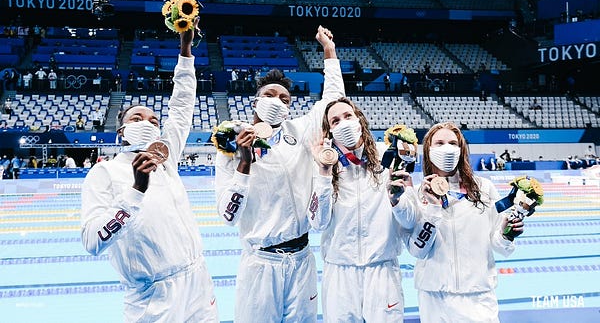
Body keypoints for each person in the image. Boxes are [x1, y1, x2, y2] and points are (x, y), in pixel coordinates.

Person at [80, 17, 219, 322]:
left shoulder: (165, 157)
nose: (147, 123)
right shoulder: (104, 174)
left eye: (154, 121)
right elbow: (92, 241)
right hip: (152, 297)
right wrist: (135, 192)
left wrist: (186, 48)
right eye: (136, 119)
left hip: (198, 282)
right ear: (120, 133)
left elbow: (182, 105)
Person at [214, 25, 343, 323]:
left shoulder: (299, 131)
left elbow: (332, 100)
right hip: (260, 264)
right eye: (270, 95)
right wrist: (244, 165)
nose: (277, 101)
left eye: (285, 99)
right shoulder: (230, 146)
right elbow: (227, 216)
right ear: (255, 101)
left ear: (290, 107)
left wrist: (329, 52)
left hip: (302, 260)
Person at [308, 99, 424, 322]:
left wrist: (396, 201)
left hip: (382, 272)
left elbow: (410, 221)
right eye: (335, 121)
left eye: (348, 116)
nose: (343, 123)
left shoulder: (390, 158)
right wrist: (323, 172)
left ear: (359, 119)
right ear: (330, 131)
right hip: (339, 273)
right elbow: (317, 223)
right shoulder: (323, 164)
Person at [402, 122, 524, 322]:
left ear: (461, 150)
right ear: (428, 150)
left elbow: (500, 246)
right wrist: (432, 209)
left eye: (452, 143)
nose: (447, 148)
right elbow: (417, 250)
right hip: (434, 297)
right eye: (439, 143)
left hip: (478, 295)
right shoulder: (417, 195)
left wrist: (507, 233)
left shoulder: (484, 188)